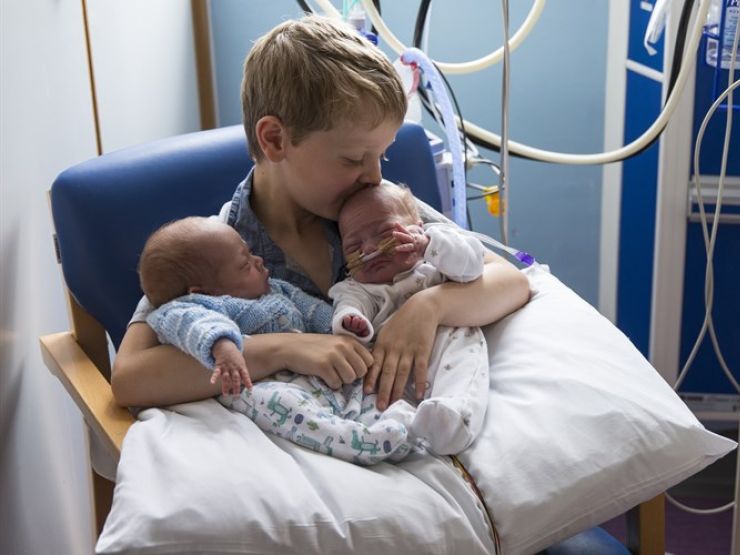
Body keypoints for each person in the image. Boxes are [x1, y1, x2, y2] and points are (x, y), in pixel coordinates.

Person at [111, 15, 530, 413]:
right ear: (275, 139)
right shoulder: (220, 248)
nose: (374, 175)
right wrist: (285, 348)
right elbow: (131, 376)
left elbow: (508, 281)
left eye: (381, 155)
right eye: (353, 159)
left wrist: (428, 307)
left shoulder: (370, 209)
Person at [138, 216, 413, 465]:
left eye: (252, 253)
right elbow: (196, 324)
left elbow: (314, 311)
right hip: (257, 383)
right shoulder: (191, 306)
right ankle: (358, 443)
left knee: (358, 388)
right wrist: (223, 346)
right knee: (287, 407)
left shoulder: (278, 290)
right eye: (246, 264)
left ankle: (397, 432)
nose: (259, 261)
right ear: (203, 291)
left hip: (311, 375)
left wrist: (347, 326)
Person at [329, 182, 489, 454]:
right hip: (391, 362)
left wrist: (428, 245)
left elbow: (473, 266)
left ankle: (454, 418)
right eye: (354, 246)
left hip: (445, 341)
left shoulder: (433, 259)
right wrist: (351, 320)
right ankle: (395, 426)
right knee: (374, 388)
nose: (369, 249)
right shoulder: (358, 287)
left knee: (464, 357)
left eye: (385, 233)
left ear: (417, 226)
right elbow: (347, 305)